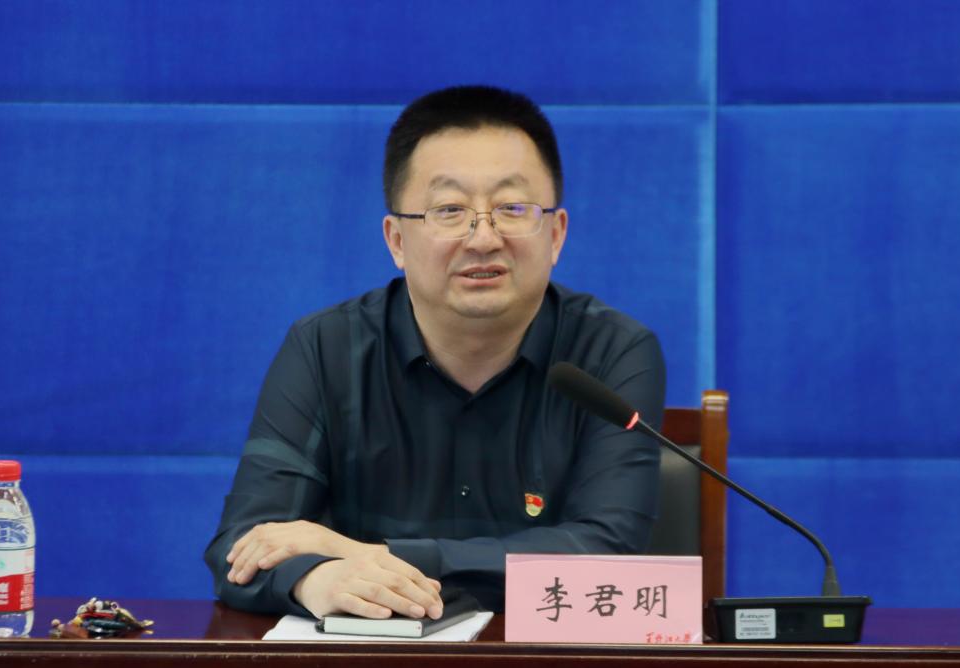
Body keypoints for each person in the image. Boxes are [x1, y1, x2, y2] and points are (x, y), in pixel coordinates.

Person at [204, 85, 665, 621]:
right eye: (449, 210)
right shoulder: (325, 349)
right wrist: (313, 578)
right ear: (397, 240)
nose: (483, 238)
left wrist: (369, 556)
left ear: (556, 234)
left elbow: (608, 553)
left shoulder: (613, 353)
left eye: (512, 208)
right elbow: (244, 547)